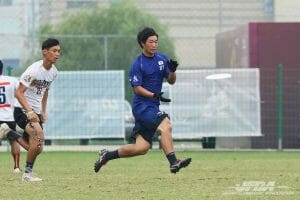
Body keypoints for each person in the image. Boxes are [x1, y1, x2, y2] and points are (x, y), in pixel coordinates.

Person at [94, 27, 191, 174]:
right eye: (150, 42)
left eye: (156, 42)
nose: (154, 45)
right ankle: (173, 162)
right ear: (142, 44)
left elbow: (171, 81)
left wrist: (172, 71)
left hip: (152, 107)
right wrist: (153, 95)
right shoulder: (137, 64)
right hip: (142, 107)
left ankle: (107, 155)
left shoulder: (162, 59)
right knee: (166, 125)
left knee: (142, 147)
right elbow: (137, 88)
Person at [8, 38, 60, 182]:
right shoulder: (34, 70)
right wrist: (29, 111)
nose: (57, 54)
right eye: (54, 51)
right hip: (22, 109)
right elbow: (18, 92)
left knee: (38, 147)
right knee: (39, 136)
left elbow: (45, 92)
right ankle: (27, 174)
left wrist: (43, 111)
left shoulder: (54, 72)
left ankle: (11, 134)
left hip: (36, 112)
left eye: (59, 51)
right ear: (45, 52)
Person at [0, 60, 22, 173]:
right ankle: (17, 167)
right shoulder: (12, 80)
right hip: (9, 117)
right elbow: (20, 93)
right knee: (14, 141)